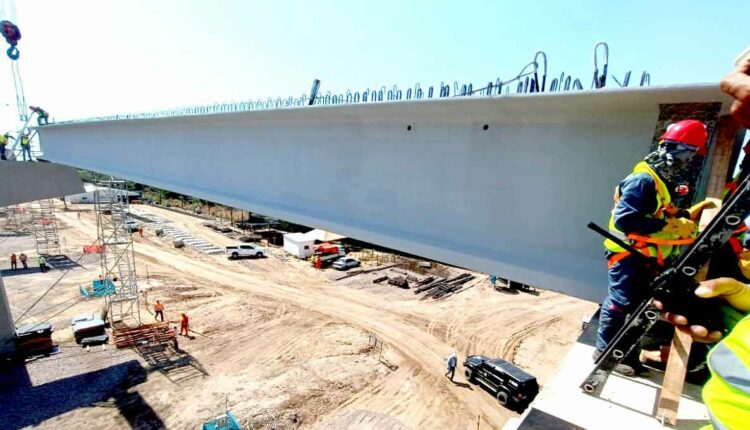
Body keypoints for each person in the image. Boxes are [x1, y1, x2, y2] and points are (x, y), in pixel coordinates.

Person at [596, 119, 716, 376]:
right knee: (622, 303)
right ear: (673, 149)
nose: (690, 161)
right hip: (628, 253)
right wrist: (670, 226)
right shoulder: (643, 181)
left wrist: (683, 215)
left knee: (639, 307)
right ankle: (605, 351)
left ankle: (625, 354)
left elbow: (660, 211)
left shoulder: (660, 180)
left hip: (646, 255)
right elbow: (626, 220)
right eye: (688, 154)